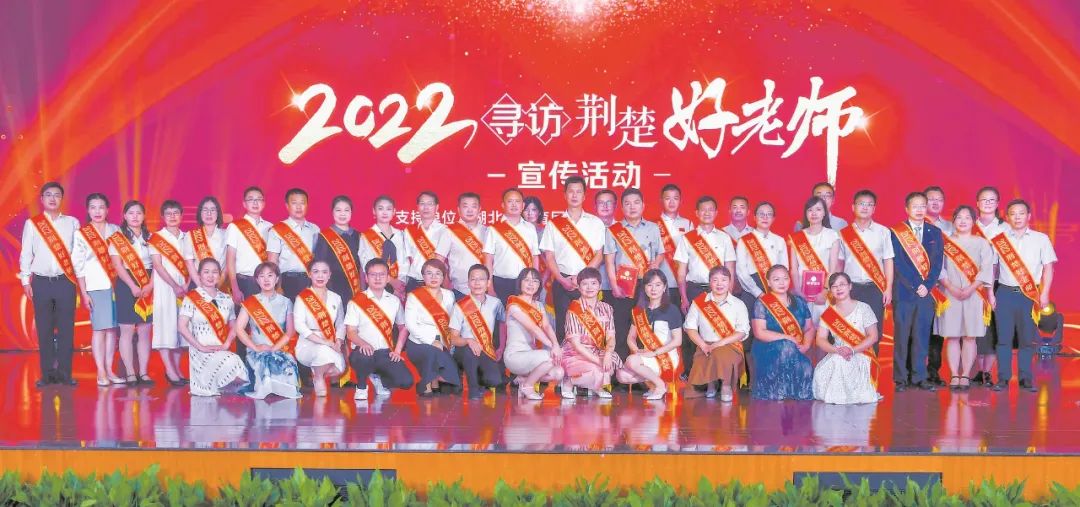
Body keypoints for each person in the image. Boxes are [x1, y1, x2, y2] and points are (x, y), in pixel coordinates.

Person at [990, 199, 1056, 393]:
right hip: (1004, 293)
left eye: (1021, 213)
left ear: (1028, 216)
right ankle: (1003, 378)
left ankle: (1026, 378)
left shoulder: (1041, 239)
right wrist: (990, 293)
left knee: (1027, 339)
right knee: (1003, 338)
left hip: (1030, 294)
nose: (1017, 217)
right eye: (1013, 213)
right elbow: (992, 269)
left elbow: (1048, 268)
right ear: (1007, 217)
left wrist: (1045, 293)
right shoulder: (999, 239)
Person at [19, 182, 80, 387]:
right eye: (48, 195)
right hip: (41, 283)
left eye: (56, 195)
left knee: (66, 330)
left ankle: (65, 374)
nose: (52, 198)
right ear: (42, 199)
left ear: (62, 199)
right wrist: (26, 280)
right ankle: (46, 374)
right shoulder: (33, 223)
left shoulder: (72, 223)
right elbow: (26, 253)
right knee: (44, 329)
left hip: (65, 282)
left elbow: (78, 254)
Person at [674, 195, 736, 380]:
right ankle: (691, 372)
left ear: (716, 213)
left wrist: (728, 297)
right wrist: (684, 297)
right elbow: (681, 272)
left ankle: (716, 374)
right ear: (696, 213)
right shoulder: (688, 238)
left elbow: (730, 270)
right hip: (694, 289)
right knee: (691, 330)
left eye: (710, 210)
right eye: (703, 210)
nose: (707, 213)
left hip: (718, 291)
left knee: (716, 330)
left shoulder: (724, 238)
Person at [539, 176, 606, 342]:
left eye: (578, 192)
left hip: (588, 282)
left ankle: (588, 358)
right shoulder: (554, 224)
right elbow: (549, 256)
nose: (574, 195)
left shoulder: (595, 223)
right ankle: (564, 358)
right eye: (571, 192)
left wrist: (581, 278)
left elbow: (599, 254)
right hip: (562, 281)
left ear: (584, 196)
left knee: (588, 326)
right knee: (563, 326)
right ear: (565, 195)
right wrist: (561, 279)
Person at [935, 206, 994, 391]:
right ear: (953, 221)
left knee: (970, 336)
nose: (962, 221)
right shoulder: (944, 243)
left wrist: (970, 288)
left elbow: (987, 269)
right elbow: (938, 268)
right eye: (959, 217)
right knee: (952, 336)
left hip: (974, 294)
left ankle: (966, 374)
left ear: (973, 221)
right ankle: (954, 374)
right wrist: (951, 287)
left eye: (967, 218)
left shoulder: (982, 243)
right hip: (949, 293)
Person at [890, 192, 944, 392]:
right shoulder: (896, 232)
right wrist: (916, 285)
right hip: (904, 292)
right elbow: (897, 262)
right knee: (902, 336)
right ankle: (901, 378)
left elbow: (937, 263)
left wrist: (927, 285)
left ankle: (919, 376)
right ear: (907, 209)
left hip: (926, 294)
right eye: (915, 206)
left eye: (923, 206)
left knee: (922, 336)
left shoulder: (935, 232)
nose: (920, 210)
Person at [603, 188, 663, 367]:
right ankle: (619, 370)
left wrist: (656, 263)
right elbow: (609, 260)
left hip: (646, 285)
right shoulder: (614, 230)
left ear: (643, 205)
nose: (632, 207)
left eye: (636, 202)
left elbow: (660, 253)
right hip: (622, 285)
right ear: (622, 207)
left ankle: (642, 370)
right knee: (621, 326)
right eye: (627, 204)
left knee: (644, 327)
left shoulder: (653, 228)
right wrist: (613, 285)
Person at [344, 259, 415, 400]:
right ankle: (361, 387)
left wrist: (397, 351)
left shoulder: (394, 301)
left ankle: (379, 379)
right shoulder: (356, 301)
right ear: (366, 278)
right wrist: (363, 343)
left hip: (385, 353)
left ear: (388, 278)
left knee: (406, 381)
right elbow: (350, 332)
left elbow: (403, 328)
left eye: (382, 275)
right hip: (363, 352)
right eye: (373, 275)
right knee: (363, 358)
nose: (377, 278)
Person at [177, 259, 249, 396]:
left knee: (236, 363)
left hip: (220, 348)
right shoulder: (191, 298)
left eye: (215, 272)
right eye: (206, 272)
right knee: (232, 362)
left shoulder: (227, 299)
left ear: (220, 275)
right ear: (199, 275)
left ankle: (223, 387)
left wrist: (227, 344)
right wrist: (200, 347)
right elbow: (181, 327)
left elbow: (234, 326)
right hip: (200, 351)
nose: (210, 276)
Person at [72, 193, 122, 386]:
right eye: (93, 207)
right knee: (99, 329)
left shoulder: (115, 230)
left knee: (112, 330)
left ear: (107, 210)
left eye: (101, 207)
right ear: (88, 210)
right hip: (95, 287)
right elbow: (78, 266)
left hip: (116, 285)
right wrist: (84, 293)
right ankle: (100, 371)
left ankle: (110, 369)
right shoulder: (82, 234)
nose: (97, 211)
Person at [233, 261, 302, 400]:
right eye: (262, 276)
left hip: (280, 349)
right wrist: (256, 347)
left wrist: (274, 348)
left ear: (277, 279)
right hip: (257, 351)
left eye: (270, 275)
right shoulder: (250, 302)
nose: (266, 279)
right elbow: (239, 329)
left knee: (286, 367)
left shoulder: (286, 302)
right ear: (257, 280)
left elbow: (290, 332)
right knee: (264, 363)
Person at [812, 272, 882, 404]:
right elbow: (820, 339)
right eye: (834, 286)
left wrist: (852, 350)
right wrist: (836, 350)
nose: (838, 288)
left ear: (850, 286)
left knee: (841, 362)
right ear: (830, 290)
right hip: (837, 352)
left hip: (861, 352)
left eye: (842, 284)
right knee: (829, 367)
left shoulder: (864, 308)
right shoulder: (829, 313)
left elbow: (873, 336)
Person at [682, 266, 749, 401]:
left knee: (722, 354)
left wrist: (719, 343)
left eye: (724, 280)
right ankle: (710, 384)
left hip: (730, 345)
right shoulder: (699, 302)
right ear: (710, 282)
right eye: (715, 280)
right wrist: (703, 345)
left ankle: (726, 386)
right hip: (705, 345)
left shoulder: (738, 304)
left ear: (730, 282)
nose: (719, 284)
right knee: (705, 357)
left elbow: (742, 332)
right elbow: (690, 328)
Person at [396, 259, 461, 396]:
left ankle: (434, 381)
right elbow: (411, 325)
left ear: (443, 277)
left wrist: (444, 343)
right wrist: (432, 341)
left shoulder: (449, 295)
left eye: (438, 273)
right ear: (423, 276)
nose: (433, 277)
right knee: (432, 352)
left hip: (442, 342)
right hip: (418, 343)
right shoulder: (414, 296)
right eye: (429, 273)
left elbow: (452, 323)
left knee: (455, 386)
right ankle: (426, 386)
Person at [615, 269, 683, 400]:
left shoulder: (671, 309)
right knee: (622, 376)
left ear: (664, 287)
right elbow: (631, 337)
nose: (653, 289)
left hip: (666, 356)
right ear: (644, 288)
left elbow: (677, 341)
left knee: (631, 361)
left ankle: (660, 386)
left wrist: (654, 353)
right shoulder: (639, 311)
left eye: (658, 285)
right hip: (646, 355)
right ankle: (654, 386)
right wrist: (637, 351)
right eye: (649, 285)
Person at [837, 190, 894, 344]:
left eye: (869, 204)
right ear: (853, 207)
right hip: (851, 288)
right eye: (861, 203)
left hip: (874, 288)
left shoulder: (883, 232)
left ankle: (871, 361)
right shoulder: (844, 234)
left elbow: (888, 261)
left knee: (874, 332)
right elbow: (840, 263)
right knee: (850, 331)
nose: (865, 207)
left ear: (874, 209)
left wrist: (888, 288)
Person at [750, 265, 814, 401]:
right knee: (786, 347)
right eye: (776, 279)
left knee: (806, 367)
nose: (782, 282)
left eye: (785, 278)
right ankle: (777, 391)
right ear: (768, 282)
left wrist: (806, 345)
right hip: (767, 348)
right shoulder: (762, 303)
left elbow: (809, 328)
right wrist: (787, 337)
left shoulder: (800, 302)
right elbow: (759, 332)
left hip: (795, 348)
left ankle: (794, 394)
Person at [109, 200, 154, 385]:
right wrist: (132, 286)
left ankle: (143, 372)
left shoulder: (151, 237)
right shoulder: (117, 238)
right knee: (126, 330)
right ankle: (130, 372)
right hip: (126, 284)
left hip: (148, 283)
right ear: (124, 216)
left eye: (139, 213)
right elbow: (117, 265)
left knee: (145, 330)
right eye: (131, 213)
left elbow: (158, 264)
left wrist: (150, 285)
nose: (135, 217)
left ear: (144, 216)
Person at [503, 268, 565, 400]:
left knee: (558, 373)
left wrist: (555, 345)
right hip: (515, 355)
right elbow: (534, 329)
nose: (531, 284)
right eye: (527, 280)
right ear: (520, 282)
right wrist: (553, 347)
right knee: (550, 357)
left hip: (531, 356)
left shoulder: (539, 305)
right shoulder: (514, 304)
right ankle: (528, 386)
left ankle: (523, 380)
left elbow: (547, 326)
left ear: (539, 285)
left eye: (535, 281)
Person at [560, 267, 620, 399]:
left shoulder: (607, 308)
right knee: (599, 370)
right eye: (585, 284)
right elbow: (576, 345)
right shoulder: (574, 308)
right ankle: (569, 381)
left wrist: (608, 353)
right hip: (575, 353)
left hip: (597, 350)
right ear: (579, 287)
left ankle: (595, 386)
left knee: (609, 367)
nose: (589, 287)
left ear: (600, 286)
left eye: (593, 283)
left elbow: (611, 336)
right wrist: (599, 361)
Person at [149, 200, 190, 387]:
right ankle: (170, 370)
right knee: (165, 327)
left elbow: (191, 264)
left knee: (181, 329)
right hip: (165, 288)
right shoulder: (156, 238)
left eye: (176, 213)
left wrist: (187, 285)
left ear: (181, 215)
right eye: (168, 213)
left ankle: (177, 369)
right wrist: (174, 286)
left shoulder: (187, 237)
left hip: (184, 289)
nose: (172, 217)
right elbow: (157, 265)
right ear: (163, 217)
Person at [449, 264, 506, 399]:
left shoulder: (496, 303)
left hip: (486, 348)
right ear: (468, 283)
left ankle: (480, 379)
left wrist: (501, 347)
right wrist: (469, 341)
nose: (477, 283)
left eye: (481, 279)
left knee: (494, 380)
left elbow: (503, 324)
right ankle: (473, 388)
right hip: (464, 349)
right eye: (473, 279)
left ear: (488, 283)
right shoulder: (460, 306)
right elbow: (453, 338)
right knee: (470, 352)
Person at [292, 260, 346, 396]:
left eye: (324, 272)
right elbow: (299, 325)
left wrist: (338, 341)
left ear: (329, 275)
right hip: (307, 343)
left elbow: (340, 323)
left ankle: (317, 373)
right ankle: (318, 378)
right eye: (316, 272)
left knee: (339, 368)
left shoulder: (336, 298)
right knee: (322, 351)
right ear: (309, 274)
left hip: (331, 341)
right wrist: (324, 342)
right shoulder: (302, 297)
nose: (320, 276)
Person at [970, 186, 1007, 387]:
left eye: (992, 200)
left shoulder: (1005, 228)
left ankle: (987, 373)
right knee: (973, 328)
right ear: (977, 203)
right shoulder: (968, 225)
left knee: (992, 329)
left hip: (997, 283)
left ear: (998, 203)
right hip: (971, 283)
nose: (988, 203)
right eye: (984, 200)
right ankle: (976, 371)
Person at [788, 196, 840, 324]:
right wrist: (798, 291)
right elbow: (793, 269)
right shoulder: (797, 237)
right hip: (801, 291)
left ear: (824, 213)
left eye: (818, 209)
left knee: (823, 328)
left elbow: (833, 269)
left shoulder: (832, 235)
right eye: (810, 210)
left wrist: (825, 291)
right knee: (803, 327)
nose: (814, 213)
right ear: (806, 214)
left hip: (823, 291)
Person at [484, 188, 540, 303]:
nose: (514, 205)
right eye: (510, 201)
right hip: (500, 283)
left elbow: (535, 257)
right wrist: (490, 287)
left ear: (523, 205)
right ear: (503, 205)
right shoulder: (493, 229)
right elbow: (488, 260)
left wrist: (535, 283)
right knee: (501, 314)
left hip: (525, 283)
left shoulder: (530, 228)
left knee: (524, 314)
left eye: (517, 201)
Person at [923, 186, 953, 385]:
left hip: (942, 286)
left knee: (937, 331)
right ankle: (913, 371)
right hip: (918, 286)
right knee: (917, 330)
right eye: (931, 199)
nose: (935, 203)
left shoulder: (950, 227)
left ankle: (933, 371)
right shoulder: (910, 227)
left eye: (939, 199)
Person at [268, 188, 319, 300]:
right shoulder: (277, 229)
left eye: (302, 203)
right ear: (287, 206)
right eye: (294, 203)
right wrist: (276, 286)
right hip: (287, 281)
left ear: (307, 205)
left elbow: (318, 258)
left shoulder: (315, 229)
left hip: (310, 281)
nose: (299, 207)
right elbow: (272, 262)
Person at [226, 186, 273, 304]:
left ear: (264, 203)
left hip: (266, 283)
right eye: (251, 199)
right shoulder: (235, 226)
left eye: (259, 199)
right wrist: (235, 288)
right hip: (244, 282)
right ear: (244, 204)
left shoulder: (270, 227)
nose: (255, 203)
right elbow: (230, 259)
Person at [313, 195, 362, 303]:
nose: (342, 214)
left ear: (351, 212)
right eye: (338, 210)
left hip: (354, 287)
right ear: (332, 212)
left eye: (346, 210)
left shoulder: (358, 236)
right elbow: (319, 264)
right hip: (331, 286)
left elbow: (362, 265)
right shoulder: (324, 236)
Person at [357, 195, 407, 296]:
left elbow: (404, 261)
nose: (384, 212)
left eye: (388, 209)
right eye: (380, 208)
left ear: (394, 212)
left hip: (399, 287)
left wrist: (400, 283)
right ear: (374, 211)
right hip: (377, 285)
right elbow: (366, 264)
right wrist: (391, 281)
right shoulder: (366, 236)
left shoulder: (400, 234)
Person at [441, 192, 488, 299]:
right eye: (465, 206)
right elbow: (439, 261)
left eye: (474, 206)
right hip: (457, 290)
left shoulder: (487, 231)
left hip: (484, 290)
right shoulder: (449, 231)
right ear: (458, 209)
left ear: (479, 209)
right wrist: (446, 285)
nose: (470, 210)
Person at [403, 191, 449, 292]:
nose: (426, 207)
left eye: (430, 204)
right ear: (418, 207)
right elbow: (409, 259)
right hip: (414, 282)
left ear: (437, 207)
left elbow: (445, 261)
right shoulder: (409, 231)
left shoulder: (445, 230)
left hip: (437, 283)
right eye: (422, 204)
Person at [657, 184, 692, 308]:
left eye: (675, 198)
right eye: (667, 198)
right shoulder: (653, 224)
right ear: (661, 200)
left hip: (682, 284)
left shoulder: (688, 224)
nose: (671, 202)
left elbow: (692, 254)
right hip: (659, 283)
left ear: (681, 201)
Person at [183, 196, 227, 289]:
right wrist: (201, 286)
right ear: (200, 213)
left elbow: (229, 262)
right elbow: (189, 263)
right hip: (198, 284)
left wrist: (219, 283)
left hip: (221, 284)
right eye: (205, 210)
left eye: (212, 210)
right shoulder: (191, 235)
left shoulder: (226, 234)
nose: (209, 213)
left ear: (218, 213)